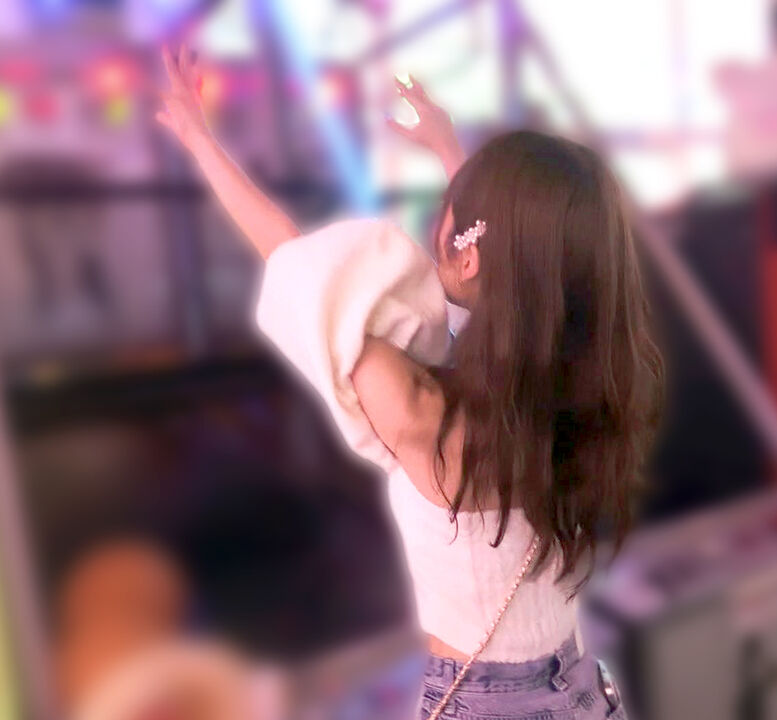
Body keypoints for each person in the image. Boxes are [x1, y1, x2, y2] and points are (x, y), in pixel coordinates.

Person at [157, 46, 661, 720]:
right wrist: (451, 150)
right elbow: (520, 266)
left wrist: (200, 142)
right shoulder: (579, 387)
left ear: (472, 253)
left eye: (453, 214)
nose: (439, 227)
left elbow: (297, 266)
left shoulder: (428, 418)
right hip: (580, 691)